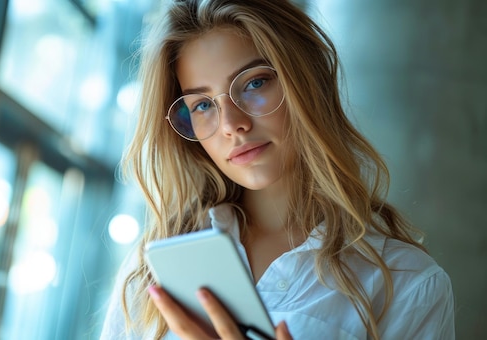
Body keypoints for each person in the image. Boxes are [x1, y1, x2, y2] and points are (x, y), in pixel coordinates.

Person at [100, 0, 455, 339]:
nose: (232, 124)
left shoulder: (406, 281)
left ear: (306, 81)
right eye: (203, 104)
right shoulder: (154, 265)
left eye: (254, 83)